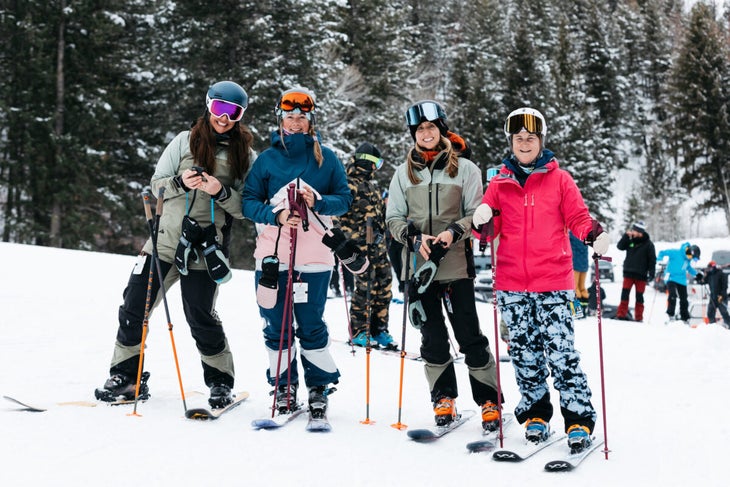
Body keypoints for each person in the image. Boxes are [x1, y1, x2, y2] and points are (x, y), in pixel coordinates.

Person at [95, 81, 255, 408]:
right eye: (218, 109)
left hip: (206, 249)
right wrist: (180, 182)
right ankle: (126, 377)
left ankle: (220, 382)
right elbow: (157, 186)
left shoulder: (246, 155)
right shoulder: (185, 141)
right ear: (208, 106)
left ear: (240, 115)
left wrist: (219, 192)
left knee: (200, 315)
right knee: (134, 305)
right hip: (165, 243)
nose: (224, 118)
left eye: (233, 112)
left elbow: (246, 208)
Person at [472, 107, 610, 453]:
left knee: (562, 352)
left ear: (540, 141)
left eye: (530, 138)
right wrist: (482, 218)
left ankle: (578, 418)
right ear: (512, 142)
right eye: (518, 138)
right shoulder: (499, 182)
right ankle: (536, 414)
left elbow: (577, 216)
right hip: (512, 284)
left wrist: (592, 234)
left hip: (552, 280)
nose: (524, 143)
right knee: (524, 352)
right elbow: (487, 231)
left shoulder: (560, 179)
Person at [386, 100, 501, 432]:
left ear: (441, 130)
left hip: (455, 266)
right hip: (418, 269)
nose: (425, 133)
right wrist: (411, 236)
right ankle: (443, 397)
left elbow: (476, 213)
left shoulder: (465, 169)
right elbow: (392, 217)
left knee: (469, 336)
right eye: (420, 129)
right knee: (432, 338)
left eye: (431, 128)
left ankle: (488, 400)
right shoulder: (403, 173)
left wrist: (454, 232)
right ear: (414, 134)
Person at [242, 87, 352, 420]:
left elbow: (344, 199)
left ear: (310, 121)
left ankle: (318, 388)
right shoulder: (267, 159)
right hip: (273, 258)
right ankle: (284, 385)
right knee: (276, 326)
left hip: (315, 259)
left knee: (311, 325)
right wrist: (275, 215)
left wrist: (318, 201)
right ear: (281, 118)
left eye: (301, 117)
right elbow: (248, 203)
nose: (295, 122)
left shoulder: (327, 158)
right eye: (289, 116)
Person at [338, 142, 396, 349]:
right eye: (377, 164)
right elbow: (338, 218)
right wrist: (349, 242)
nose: (376, 168)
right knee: (365, 286)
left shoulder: (372, 186)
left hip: (377, 247)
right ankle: (359, 330)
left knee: (384, 282)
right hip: (359, 248)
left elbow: (379, 216)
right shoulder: (347, 184)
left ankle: (379, 329)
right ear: (369, 163)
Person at [615, 221, 656, 322]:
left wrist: (651, 273)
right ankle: (621, 315)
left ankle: (639, 317)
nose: (632, 232)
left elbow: (652, 260)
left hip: (641, 275)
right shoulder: (630, 240)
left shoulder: (649, 244)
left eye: (634, 230)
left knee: (639, 297)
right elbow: (619, 247)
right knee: (624, 294)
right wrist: (625, 236)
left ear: (639, 232)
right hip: (628, 273)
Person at [657, 242, 700, 323]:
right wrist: (659, 259)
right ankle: (670, 315)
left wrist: (697, 274)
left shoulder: (688, 259)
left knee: (684, 299)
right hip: (671, 277)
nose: (691, 259)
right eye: (692, 257)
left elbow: (689, 268)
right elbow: (662, 252)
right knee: (672, 295)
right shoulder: (676, 252)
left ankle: (685, 318)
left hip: (681, 279)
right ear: (689, 252)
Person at [383, 191, 405, 294]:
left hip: (399, 242)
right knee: (396, 266)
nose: (387, 201)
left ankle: (405, 285)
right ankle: (401, 285)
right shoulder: (383, 212)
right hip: (390, 243)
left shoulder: (397, 209)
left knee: (402, 264)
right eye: (386, 199)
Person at [701, 261, 729, 327]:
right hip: (713, 297)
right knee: (710, 313)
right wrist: (704, 275)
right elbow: (702, 282)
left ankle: (729, 325)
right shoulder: (709, 275)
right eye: (708, 268)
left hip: (721, 297)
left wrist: (722, 295)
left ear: (713, 267)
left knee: (724, 312)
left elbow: (725, 286)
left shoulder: (721, 274)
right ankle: (712, 326)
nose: (709, 269)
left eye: (710, 268)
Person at [569, 231, 589, 318]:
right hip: (584, 265)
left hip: (575, 264)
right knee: (582, 288)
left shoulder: (572, 235)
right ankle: (584, 310)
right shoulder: (585, 235)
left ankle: (576, 312)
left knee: (574, 288)